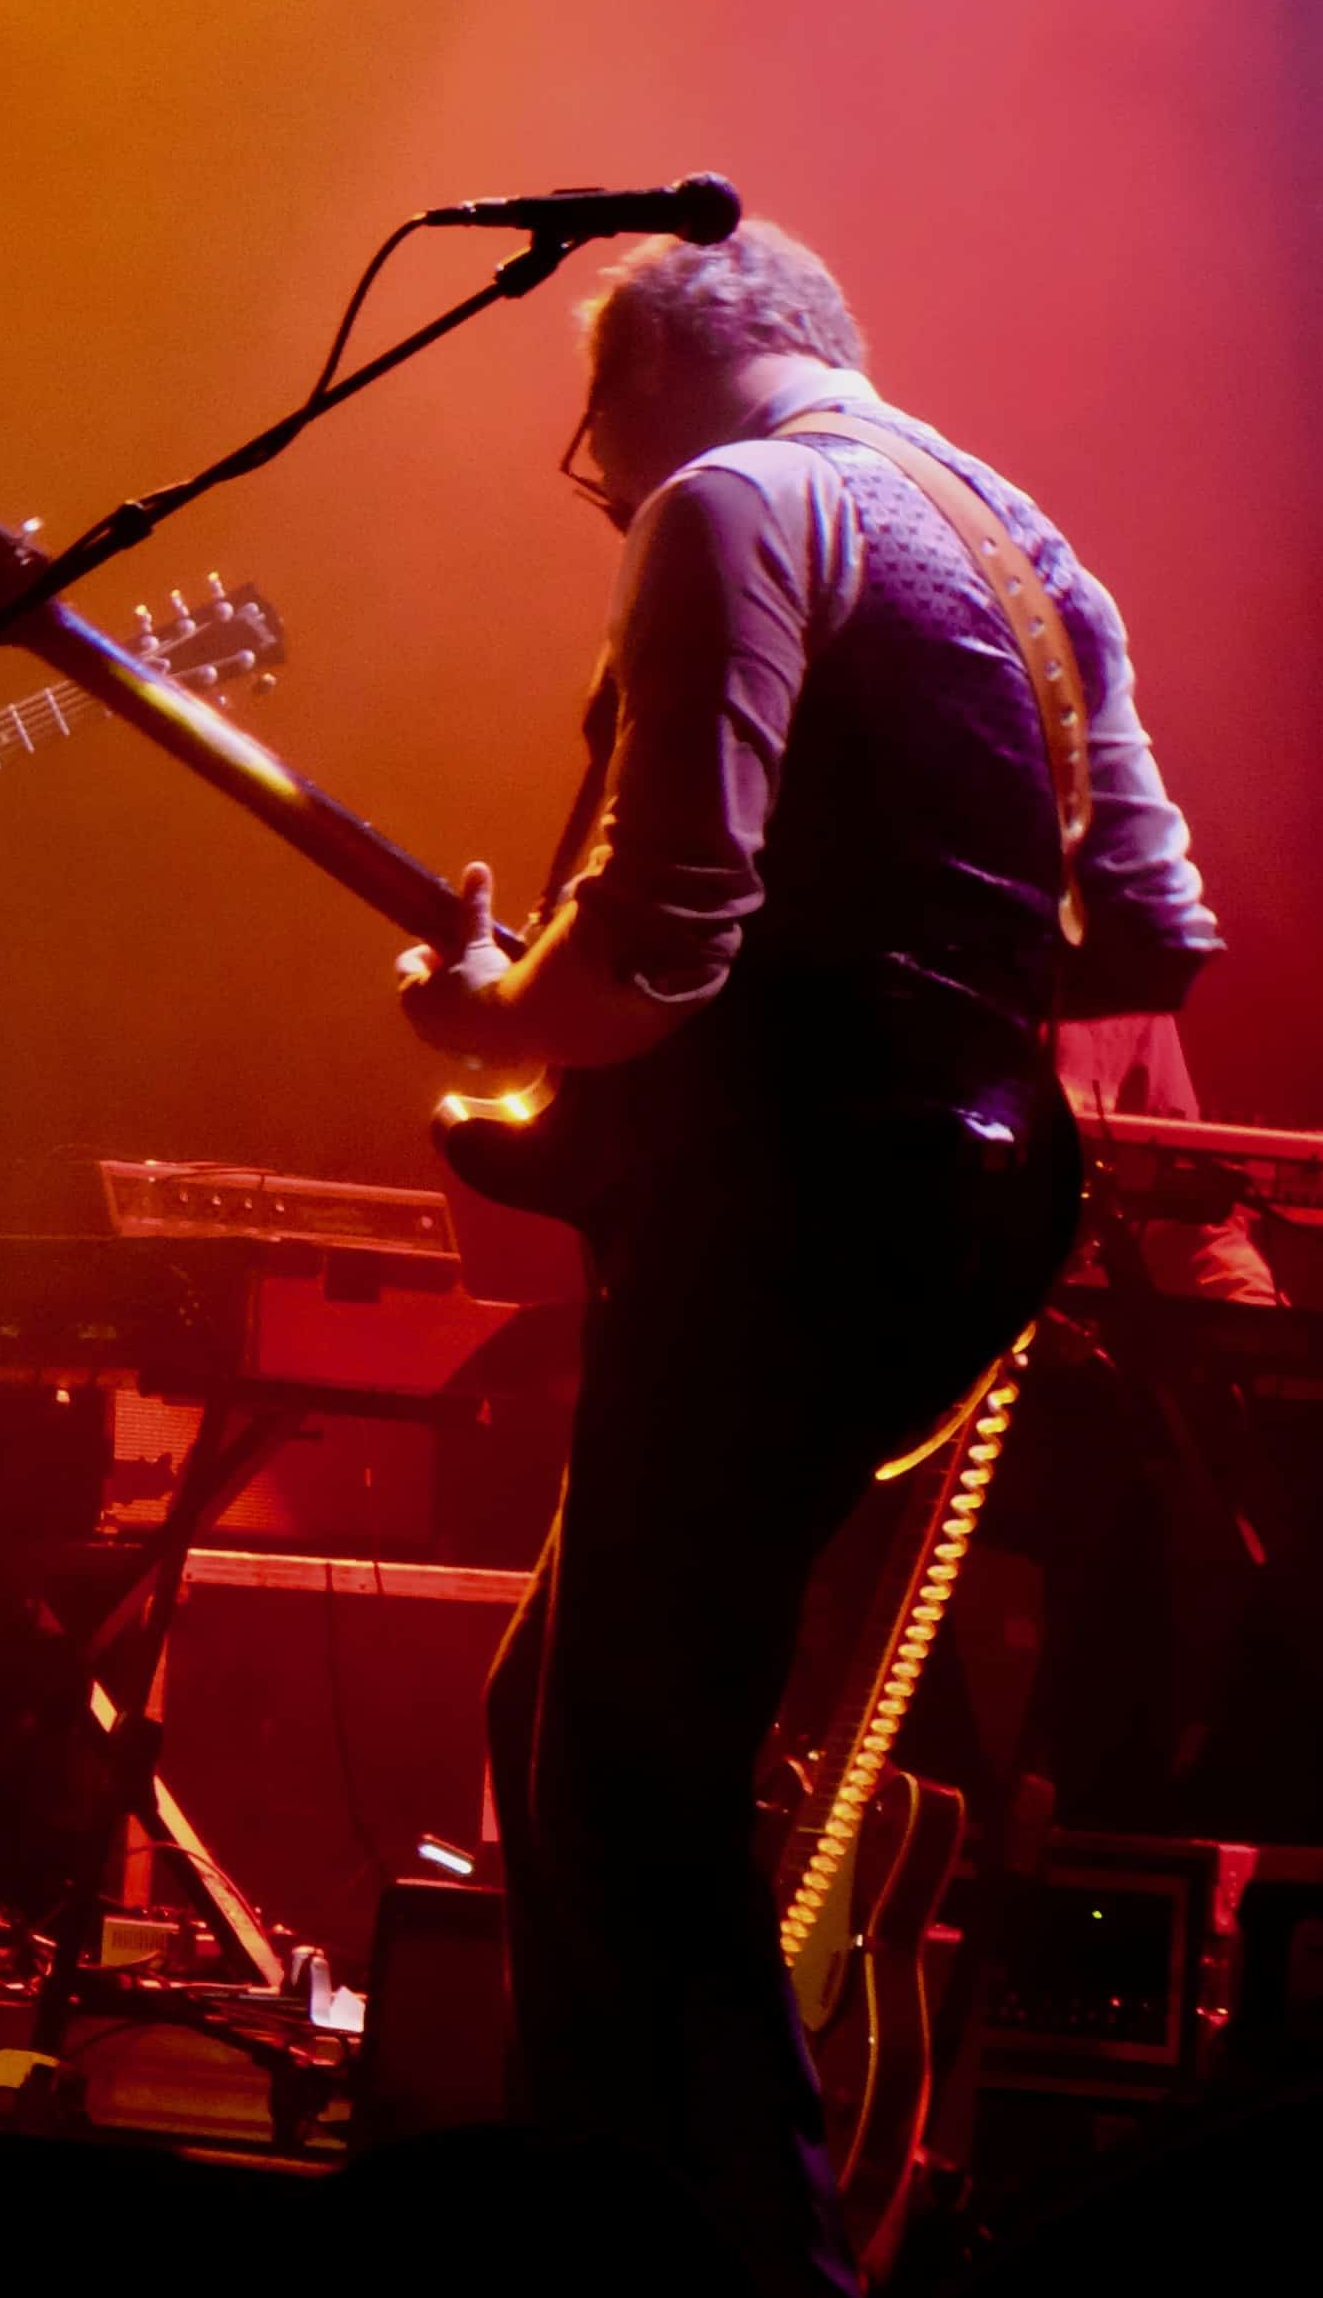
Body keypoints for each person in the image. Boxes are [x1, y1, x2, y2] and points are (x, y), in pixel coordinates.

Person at [394, 221, 1221, 2293]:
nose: (601, 497)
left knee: (632, 1767)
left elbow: (667, 924)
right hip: (967, 1206)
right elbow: (1144, 928)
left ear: (649, 382)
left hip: (785, 1204)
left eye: (592, 459)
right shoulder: (1022, 543)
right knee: (568, 1715)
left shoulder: (732, 502)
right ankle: (637, 2211)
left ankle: (730, 2269)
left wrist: (499, 1014)